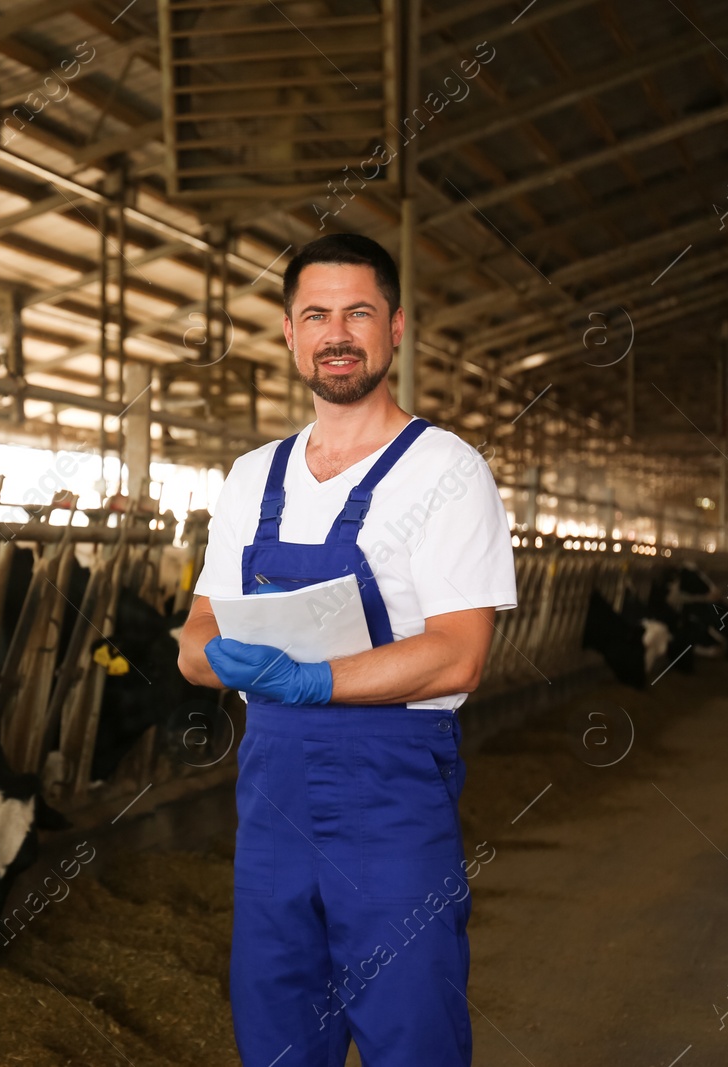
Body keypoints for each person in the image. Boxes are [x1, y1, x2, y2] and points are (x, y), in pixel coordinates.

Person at [176, 233, 517, 1066]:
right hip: (272, 797)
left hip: (390, 793)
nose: (338, 333)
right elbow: (194, 638)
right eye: (317, 315)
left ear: (396, 328)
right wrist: (227, 662)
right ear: (290, 334)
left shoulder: (446, 469)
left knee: (412, 1032)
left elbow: (458, 654)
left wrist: (309, 676)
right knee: (277, 1029)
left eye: (359, 312)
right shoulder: (251, 475)